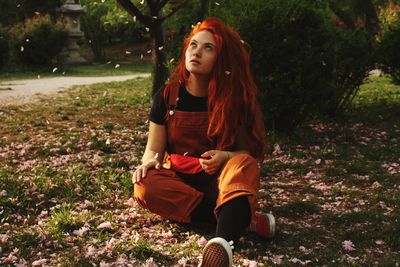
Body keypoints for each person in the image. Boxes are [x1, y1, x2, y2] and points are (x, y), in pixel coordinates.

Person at [131, 17, 276, 267]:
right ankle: (241, 220)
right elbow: (153, 150)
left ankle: (221, 244)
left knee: (243, 163)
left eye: (208, 47)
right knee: (144, 185)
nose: (196, 52)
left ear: (221, 58)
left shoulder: (233, 99)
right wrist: (149, 164)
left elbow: (246, 153)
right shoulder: (167, 96)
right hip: (179, 180)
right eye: (193, 45)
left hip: (220, 183)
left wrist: (225, 157)